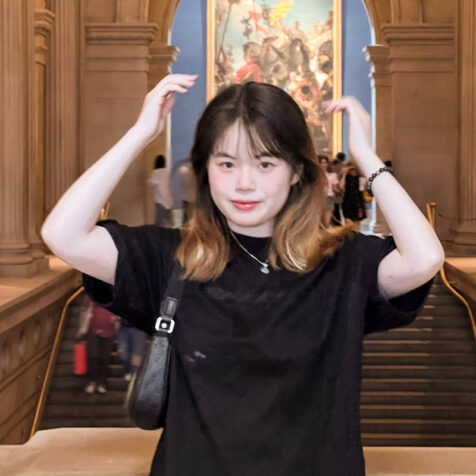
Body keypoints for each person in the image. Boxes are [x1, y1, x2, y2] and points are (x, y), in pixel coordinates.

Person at [42, 74, 444, 476]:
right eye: (227, 163)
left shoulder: (343, 263)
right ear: (206, 170)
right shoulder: (172, 258)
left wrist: (367, 157)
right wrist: (139, 133)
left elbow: (424, 258)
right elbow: (63, 234)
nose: (244, 183)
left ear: (296, 173)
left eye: (265, 163)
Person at [76, 295, 119, 394]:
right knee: (93, 356)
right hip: (93, 328)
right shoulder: (91, 293)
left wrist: (116, 319)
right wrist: (81, 329)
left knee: (105, 358)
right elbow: (84, 310)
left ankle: (101, 383)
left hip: (109, 331)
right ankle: (92, 381)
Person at [148, 154, 173, 226]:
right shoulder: (167, 172)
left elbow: (150, 182)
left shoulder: (156, 172)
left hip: (159, 200)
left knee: (159, 222)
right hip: (168, 201)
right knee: (166, 221)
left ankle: (157, 235)